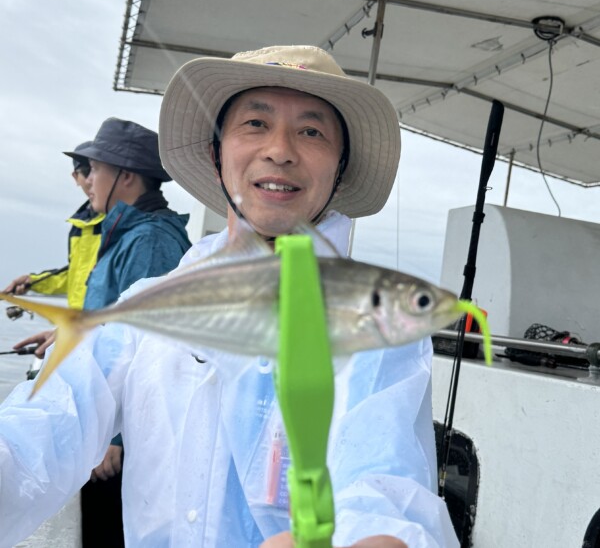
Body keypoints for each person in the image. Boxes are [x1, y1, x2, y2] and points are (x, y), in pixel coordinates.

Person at [0, 46, 458, 548]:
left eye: (312, 131)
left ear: (340, 167)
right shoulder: (143, 309)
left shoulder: (377, 324)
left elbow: (384, 483)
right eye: (255, 124)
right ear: (217, 155)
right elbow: (38, 433)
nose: (280, 149)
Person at [71, 117, 192, 547]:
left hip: (117, 442)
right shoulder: (126, 234)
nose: (87, 181)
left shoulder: (151, 242)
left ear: (125, 176)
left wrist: (116, 439)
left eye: (95, 169)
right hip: (98, 422)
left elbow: (149, 341)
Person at [3, 142, 104, 357]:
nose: (89, 179)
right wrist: (32, 281)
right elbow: (74, 275)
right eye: (85, 171)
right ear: (75, 177)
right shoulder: (79, 226)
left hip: (96, 335)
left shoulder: (119, 224)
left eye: (95, 170)